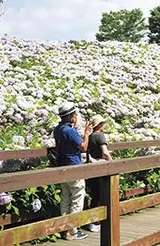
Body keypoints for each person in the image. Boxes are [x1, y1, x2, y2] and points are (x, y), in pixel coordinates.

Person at [53, 102, 92, 240]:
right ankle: (74, 230)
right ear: (70, 116)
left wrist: (74, 127)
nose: (76, 116)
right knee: (77, 197)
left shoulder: (57, 129)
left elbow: (67, 140)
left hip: (62, 168)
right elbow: (83, 147)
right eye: (74, 114)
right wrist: (86, 133)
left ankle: (65, 230)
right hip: (74, 167)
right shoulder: (70, 131)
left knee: (65, 198)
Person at [85, 114, 111, 233]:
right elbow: (105, 153)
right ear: (100, 125)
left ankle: (92, 221)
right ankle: (96, 221)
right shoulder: (100, 136)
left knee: (94, 195)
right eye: (103, 123)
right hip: (100, 168)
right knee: (101, 195)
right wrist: (112, 162)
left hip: (91, 169)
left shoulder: (89, 136)